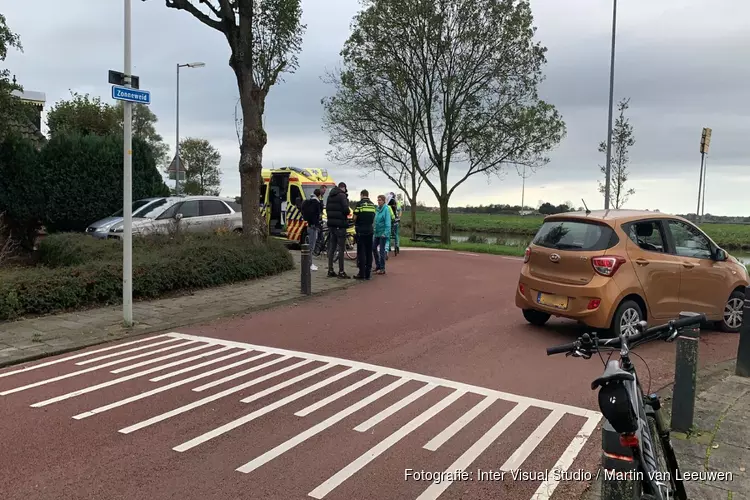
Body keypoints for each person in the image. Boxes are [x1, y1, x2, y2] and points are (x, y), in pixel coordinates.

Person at [325, 181, 350, 278]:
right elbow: (346, 210)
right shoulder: (342, 196)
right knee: (341, 248)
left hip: (332, 225)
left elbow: (327, 209)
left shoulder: (329, 196)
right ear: (343, 188)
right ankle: (341, 271)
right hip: (340, 225)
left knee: (332, 248)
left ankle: (330, 270)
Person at [352, 189, 376, 280]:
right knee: (369, 252)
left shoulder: (359, 204)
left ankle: (361, 273)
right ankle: (368, 273)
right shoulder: (372, 205)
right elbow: (373, 217)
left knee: (361, 252)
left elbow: (354, 217)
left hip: (361, 230)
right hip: (370, 230)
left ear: (362, 195)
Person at [301, 189, 323, 271]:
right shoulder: (315, 203)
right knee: (311, 246)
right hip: (313, 227)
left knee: (310, 245)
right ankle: (309, 264)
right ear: (319, 195)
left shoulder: (310, 201)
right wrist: (316, 224)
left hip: (310, 225)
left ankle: (308, 263)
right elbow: (316, 215)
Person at [373, 194, 392, 275]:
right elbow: (375, 220)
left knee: (381, 250)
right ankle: (377, 265)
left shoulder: (386, 210)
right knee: (373, 248)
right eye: (378, 200)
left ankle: (382, 268)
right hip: (377, 233)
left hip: (383, 234)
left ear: (384, 201)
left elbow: (388, 222)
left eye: (380, 200)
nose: (378, 201)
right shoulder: (377, 209)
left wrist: (386, 233)